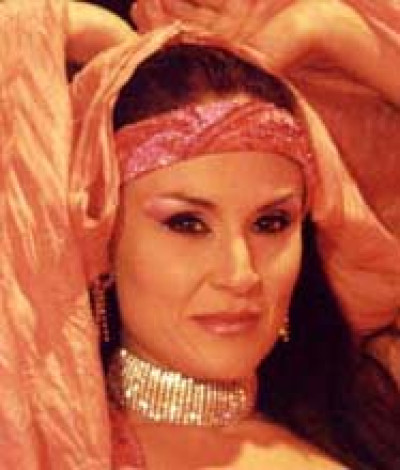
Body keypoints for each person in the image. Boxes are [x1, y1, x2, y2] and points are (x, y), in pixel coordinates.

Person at [1, 3, 399, 470]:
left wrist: (330, 31)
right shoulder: (43, 439)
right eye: (187, 224)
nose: (241, 273)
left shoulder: (368, 414)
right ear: (101, 242)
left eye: (270, 223)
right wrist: (81, 29)